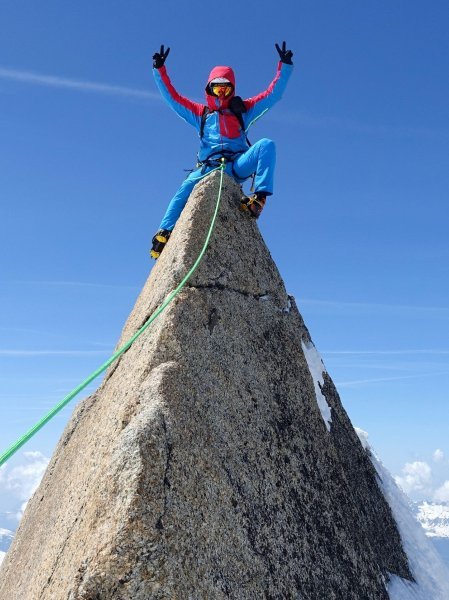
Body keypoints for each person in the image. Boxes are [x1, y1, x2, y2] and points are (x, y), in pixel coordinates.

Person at [150, 42, 294, 258]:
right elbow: (174, 99)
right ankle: (164, 233)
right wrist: (159, 70)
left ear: (232, 89)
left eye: (225, 88)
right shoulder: (201, 113)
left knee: (266, 145)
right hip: (207, 167)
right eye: (216, 88)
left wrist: (285, 67)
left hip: (236, 166)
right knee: (184, 191)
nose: (221, 93)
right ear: (208, 88)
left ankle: (259, 199)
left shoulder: (241, 111)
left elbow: (272, 96)